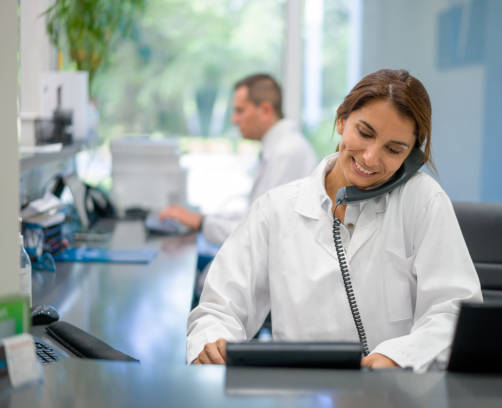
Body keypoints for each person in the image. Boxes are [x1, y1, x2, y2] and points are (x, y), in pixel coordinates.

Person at [186, 69, 482, 371]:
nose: (370, 158)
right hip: (298, 392)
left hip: (391, 395)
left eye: (394, 150)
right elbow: (218, 308)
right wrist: (214, 342)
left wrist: (400, 356)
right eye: (364, 133)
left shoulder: (422, 200)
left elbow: (453, 310)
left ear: (411, 157)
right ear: (341, 120)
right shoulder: (276, 209)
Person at [160, 73, 317, 244]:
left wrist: (201, 223)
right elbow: (253, 214)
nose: (234, 119)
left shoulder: (287, 153)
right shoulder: (278, 148)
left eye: (240, 111)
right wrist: (202, 219)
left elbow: (260, 232)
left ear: (265, 110)